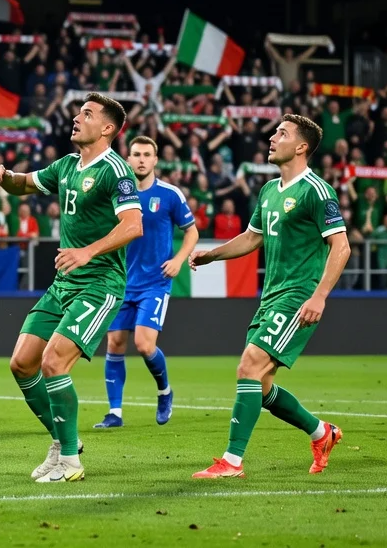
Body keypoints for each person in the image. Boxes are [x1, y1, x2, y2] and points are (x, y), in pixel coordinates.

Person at [0, 95, 143, 483]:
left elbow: (132, 226)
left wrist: (87, 252)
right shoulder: (67, 165)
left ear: (107, 128)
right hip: (64, 285)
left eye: (87, 114)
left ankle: (71, 461)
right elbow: (25, 185)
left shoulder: (116, 171)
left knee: (54, 363)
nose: (77, 118)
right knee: (22, 362)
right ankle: (61, 442)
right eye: (78, 112)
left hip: (100, 284)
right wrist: (4, 176)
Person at [189, 115, 350, 479]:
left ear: (302, 146)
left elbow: (341, 246)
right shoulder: (269, 190)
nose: (272, 138)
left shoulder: (317, 190)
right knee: (259, 385)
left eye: (282, 133)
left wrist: (319, 296)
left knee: (250, 364)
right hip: (271, 296)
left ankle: (231, 461)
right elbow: (252, 237)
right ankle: (322, 433)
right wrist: (211, 254)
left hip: (298, 296)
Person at [94, 135, 197, 429]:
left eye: (146, 154)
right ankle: (115, 413)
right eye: (136, 154)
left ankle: (165, 392)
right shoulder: (116, 194)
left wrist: (178, 260)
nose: (140, 159)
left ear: (155, 160)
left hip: (155, 282)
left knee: (143, 343)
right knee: (114, 343)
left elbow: (191, 232)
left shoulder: (169, 195)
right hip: (119, 282)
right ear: (128, 160)